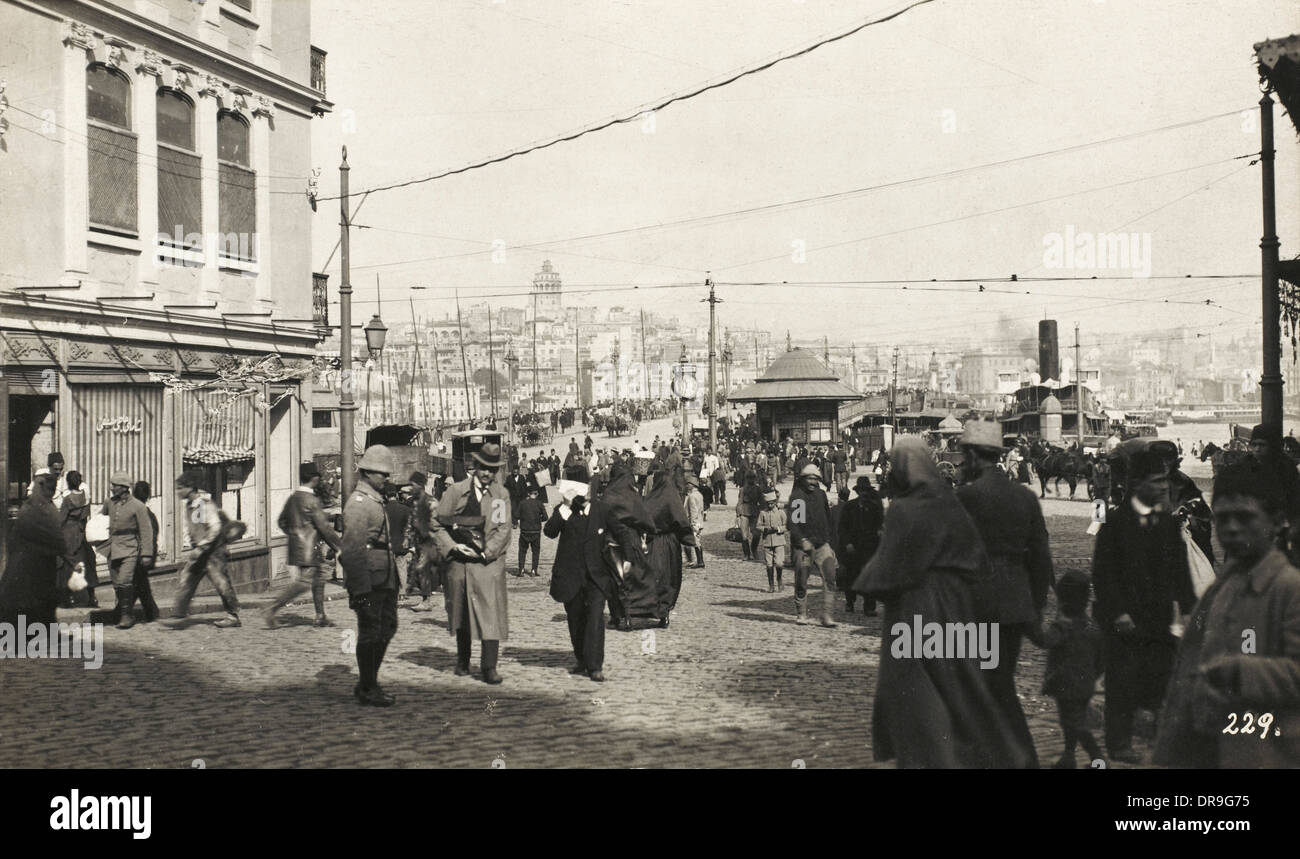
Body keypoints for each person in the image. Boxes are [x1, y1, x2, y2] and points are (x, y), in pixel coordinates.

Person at [854, 437, 1034, 768]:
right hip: (958, 609)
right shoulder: (951, 504)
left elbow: (887, 571)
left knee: (913, 693)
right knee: (964, 687)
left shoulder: (903, 509)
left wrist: (863, 579)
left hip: (914, 611)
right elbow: (978, 561)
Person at [1154, 463, 1300, 767]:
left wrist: (1240, 671)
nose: (1232, 527)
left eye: (1245, 517)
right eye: (1223, 518)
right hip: (1210, 746)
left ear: (1277, 522)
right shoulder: (1219, 588)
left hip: (1269, 751)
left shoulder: (1289, 590)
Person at [955, 419, 1053, 769]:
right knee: (998, 680)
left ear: (971, 455)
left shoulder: (965, 496)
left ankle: (1016, 758)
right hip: (1015, 604)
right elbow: (1041, 556)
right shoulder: (1024, 496)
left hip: (976, 604)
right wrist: (1036, 605)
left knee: (984, 684)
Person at [1091, 447, 1195, 763]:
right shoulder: (1114, 522)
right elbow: (1103, 573)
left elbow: (1179, 568)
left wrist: (1189, 608)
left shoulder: (1166, 523)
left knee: (1161, 677)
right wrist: (1118, 611)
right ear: (1139, 484)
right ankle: (1119, 743)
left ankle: (1162, 741)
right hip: (1125, 621)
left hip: (1159, 617)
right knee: (1121, 683)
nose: (1164, 486)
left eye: (1165, 480)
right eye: (1157, 481)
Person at [431, 442, 513, 685]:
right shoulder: (456, 491)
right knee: (461, 613)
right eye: (484, 468)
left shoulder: (500, 495)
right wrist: (453, 547)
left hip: (488, 564)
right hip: (459, 564)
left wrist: (486, 553)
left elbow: (502, 530)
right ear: (475, 467)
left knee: (490, 614)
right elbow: (438, 525)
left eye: (493, 469)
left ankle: (489, 667)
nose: (488, 474)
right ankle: (462, 660)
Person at [339, 446, 401, 706]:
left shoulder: (373, 499)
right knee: (370, 631)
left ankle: (368, 682)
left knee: (386, 627)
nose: (386, 478)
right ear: (367, 473)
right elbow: (352, 550)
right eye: (382, 474)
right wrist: (360, 588)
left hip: (382, 579)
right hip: (369, 582)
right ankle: (367, 686)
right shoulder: (359, 503)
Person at [586, 461, 655, 657]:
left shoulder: (608, 496)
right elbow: (645, 519)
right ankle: (633, 613)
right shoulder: (632, 496)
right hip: (630, 543)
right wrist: (647, 532)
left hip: (610, 545)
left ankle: (618, 616)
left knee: (614, 581)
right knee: (631, 577)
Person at [1042, 569, 1105, 768]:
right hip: (1085, 683)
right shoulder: (1093, 627)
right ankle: (1068, 756)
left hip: (1065, 684)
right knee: (1073, 721)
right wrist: (1093, 674)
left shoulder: (1062, 627)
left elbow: (1046, 641)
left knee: (1075, 723)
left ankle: (1098, 759)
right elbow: (1101, 658)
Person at [267, 463, 342, 628]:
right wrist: (339, 547)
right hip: (309, 548)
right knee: (305, 583)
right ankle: (273, 607)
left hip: (297, 547)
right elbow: (324, 528)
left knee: (318, 579)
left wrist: (295, 534)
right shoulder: (312, 501)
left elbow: (282, 522)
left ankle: (320, 615)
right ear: (314, 478)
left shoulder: (293, 498)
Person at [169, 471, 241, 629]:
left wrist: (202, 546)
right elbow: (198, 527)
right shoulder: (191, 505)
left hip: (212, 553)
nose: (178, 492)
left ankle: (233, 616)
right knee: (187, 579)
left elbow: (215, 527)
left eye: (180, 488)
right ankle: (179, 615)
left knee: (221, 582)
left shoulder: (202, 504)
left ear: (189, 488)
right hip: (200, 551)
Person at [0, 468, 70, 626]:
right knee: (28, 601)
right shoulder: (40, 508)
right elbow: (55, 536)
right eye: (50, 489)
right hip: (30, 563)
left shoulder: (36, 506)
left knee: (36, 600)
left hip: (34, 562)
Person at [545, 486, 595, 676]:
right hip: (570, 576)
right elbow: (549, 531)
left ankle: (593, 662)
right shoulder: (564, 510)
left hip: (593, 576)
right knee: (575, 620)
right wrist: (565, 506)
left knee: (593, 619)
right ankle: (581, 658)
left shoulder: (597, 510)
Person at [102, 471, 155, 630]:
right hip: (112, 548)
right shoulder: (109, 503)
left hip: (130, 548)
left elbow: (146, 531)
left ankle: (127, 616)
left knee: (125, 580)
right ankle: (124, 612)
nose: (112, 489)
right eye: (112, 485)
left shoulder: (138, 506)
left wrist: (146, 553)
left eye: (115, 486)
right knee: (117, 584)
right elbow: (102, 519)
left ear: (125, 488)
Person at [788, 463, 838, 628]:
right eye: (809, 478)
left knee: (830, 577)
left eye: (815, 479)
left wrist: (829, 542)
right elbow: (794, 525)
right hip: (804, 547)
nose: (812, 482)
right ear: (803, 479)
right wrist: (803, 541)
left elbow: (828, 519)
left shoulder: (821, 495)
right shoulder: (798, 497)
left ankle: (827, 616)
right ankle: (801, 613)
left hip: (822, 544)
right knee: (802, 579)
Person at [837, 475, 883, 615]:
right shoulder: (849, 507)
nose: (863, 493)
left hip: (869, 547)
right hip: (852, 548)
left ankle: (869, 607)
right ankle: (850, 602)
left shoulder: (874, 507)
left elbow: (880, 525)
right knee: (851, 576)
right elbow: (842, 528)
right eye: (861, 490)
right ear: (857, 492)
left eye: (866, 490)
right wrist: (848, 543)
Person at [57, 470, 98, 609]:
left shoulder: (68, 500)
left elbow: (61, 519)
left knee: (67, 564)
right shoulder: (85, 498)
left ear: (68, 483)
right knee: (87, 563)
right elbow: (86, 516)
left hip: (68, 532)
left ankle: (68, 599)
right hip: (81, 532)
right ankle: (92, 597)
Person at [406, 472, 441, 613]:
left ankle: (426, 601)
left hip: (430, 541)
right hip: (418, 541)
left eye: (412, 485)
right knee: (423, 570)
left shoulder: (430, 502)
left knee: (423, 569)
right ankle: (427, 598)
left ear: (420, 485)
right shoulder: (413, 501)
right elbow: (411, 521)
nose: (410, 488)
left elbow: (437, 523)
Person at [130, 481, 162, 623]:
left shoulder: (137, 514)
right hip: (145, 555)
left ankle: (121, 612)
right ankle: (151, 613)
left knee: (138, 585)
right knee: (141, 585)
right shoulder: (150, 514)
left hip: (139, 556)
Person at [756, 488, 787, 593]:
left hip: (779, 541)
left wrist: (778, 529)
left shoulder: (781, 513)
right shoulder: (763, 513)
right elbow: (758, 525)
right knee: (769, 564)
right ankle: (771, 585)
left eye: (772, 503)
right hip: (767, 541)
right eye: (768, 503)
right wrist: (765, 529)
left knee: (778, 563)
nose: (770, 505)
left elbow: (787, 526)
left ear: (775, 502)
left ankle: (779, 581)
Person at [515, 486, 545, 577]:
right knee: (535, 551)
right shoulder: (539, 503)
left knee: (522, 551)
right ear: (535, 494)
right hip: (536, 531)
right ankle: (533, 570)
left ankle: (521, 570)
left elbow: (516, 515)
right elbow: (545, 517)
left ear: (528, 494)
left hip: (524, 531)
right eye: (536, 493)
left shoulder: (522, 503)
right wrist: (538, 519)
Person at [683, 473, 706, 569]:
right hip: (699, 521)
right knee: (697, 541)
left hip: (694, 522)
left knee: (693, 542)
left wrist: (693, 523)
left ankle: (697, 561)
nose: (687, 485)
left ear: (692, 484)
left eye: (688, 483)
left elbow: (693, 511)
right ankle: (699, 561)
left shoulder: (692, 496)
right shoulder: (699, 495)